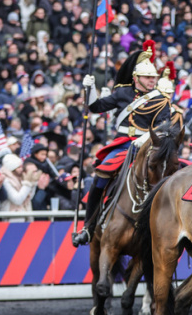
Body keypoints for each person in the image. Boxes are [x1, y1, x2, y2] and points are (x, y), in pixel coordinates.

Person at [71, 40, 171, 246]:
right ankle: (88, 227)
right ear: (136, 78)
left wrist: (147, 137)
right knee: (100, 178)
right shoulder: (123, 94)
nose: (152, 81)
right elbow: (96, 107)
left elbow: (165, 125)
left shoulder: (160, 99)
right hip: (123, 144)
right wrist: (89, 89)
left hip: (148, 146)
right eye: (148, 77)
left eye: (154, 77)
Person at [0, 153, 39, 221]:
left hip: (25, 215)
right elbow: (17, 200)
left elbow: (29, 197)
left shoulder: (20, 177)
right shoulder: (5, 180)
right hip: (12, 218)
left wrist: (33, 184)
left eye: (21, 166)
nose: (21, 169)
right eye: (18, 167)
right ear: (12, 168)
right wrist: (27, 184)